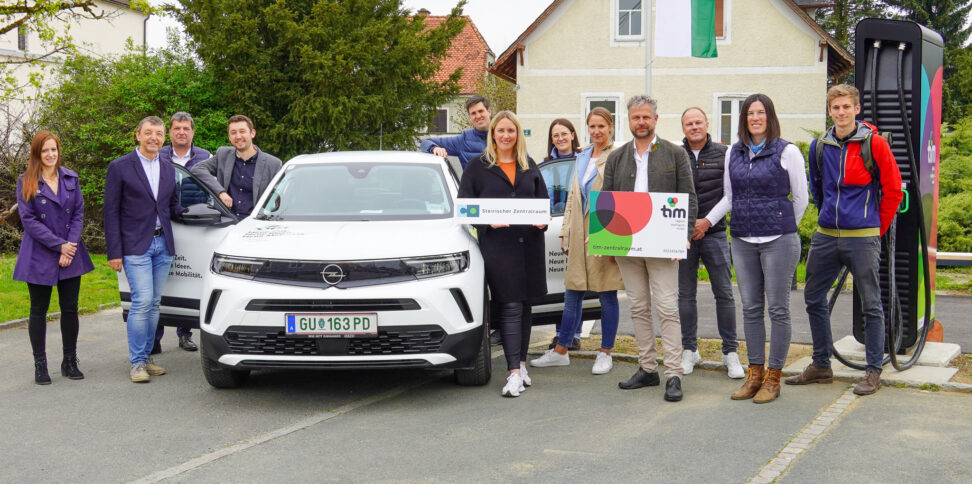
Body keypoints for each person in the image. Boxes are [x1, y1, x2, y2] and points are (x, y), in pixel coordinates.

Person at [786, 84, 903, 396]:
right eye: (835, 108)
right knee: (813, 298)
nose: (841, 112)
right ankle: (821, 364)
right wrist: (826, 214)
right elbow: (818, 186)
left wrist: (875, 228)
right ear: (829, 111)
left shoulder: (874, 144)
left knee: (871, 304)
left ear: (856, 109)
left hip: (863, 237)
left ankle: (873, 371)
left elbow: (893, 190)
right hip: (826, 235)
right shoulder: (819, 146)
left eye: (846, 107)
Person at [704, 94, 808, 403]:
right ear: (744, 119)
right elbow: (729, 196)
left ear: (770, 116)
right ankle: (755, 374)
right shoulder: (733, 152)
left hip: (779, 239)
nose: (756, 118)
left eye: (761, 112)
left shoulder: (787, 151)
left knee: (777, 309)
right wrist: (707, 221)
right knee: (750, 308)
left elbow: (800, 198)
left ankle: (774, 378)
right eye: (750, 113)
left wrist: (782, 224)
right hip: (742, 239)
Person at [601, 95, 697, 402]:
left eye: (646, 117)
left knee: (667, 308)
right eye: (635, 118)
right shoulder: (617, 157)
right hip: (628, 245)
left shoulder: (675, 153)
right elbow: (607, 201)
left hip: (664, 244)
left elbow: (689, 197)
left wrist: (683, 234)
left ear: (656, 119)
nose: (640, 122)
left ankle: (673, 373)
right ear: (628, 121)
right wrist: (606, 240)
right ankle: (647, 368)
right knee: (639, 307)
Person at [458, 111, 548, 397]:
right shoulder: (477, 166)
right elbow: (464, 207)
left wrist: (542, 220)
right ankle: (512, 373)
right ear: (493, 134)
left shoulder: (528, 165)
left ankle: (521, 366)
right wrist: (485, 221)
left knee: (524, 306)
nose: (506, 135)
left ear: (517, 134)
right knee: (509, 305)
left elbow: (543, 201)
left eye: (511, 131)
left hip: (529, 244)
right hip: (499, 245)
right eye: (501, 131)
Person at [531, 107, 623, 374]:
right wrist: (566, 232)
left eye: (601, 127)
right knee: (573, 293)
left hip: (603, 230)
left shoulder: (616, 156)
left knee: (606, 293)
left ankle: (605, 352)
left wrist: (607, 234)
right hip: (579, 232)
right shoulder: (582, 156)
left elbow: (621, 197)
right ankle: (561, 349)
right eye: (592, 127)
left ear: (610, 128)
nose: (596, 132)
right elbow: (572, 197)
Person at [104, 116, 187, 383]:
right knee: (141, 303)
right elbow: (111, 212)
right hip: (135, 245)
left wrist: (196, 213)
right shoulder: (120, 167)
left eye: (159, 133)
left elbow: (170, 205)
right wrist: (114, 252)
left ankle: (147, 358)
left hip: (162, 244)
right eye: (148, 132)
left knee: (154, 304)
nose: (154, 137)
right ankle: (137, 363)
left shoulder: (167, 166)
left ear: (164, 138)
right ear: (138, 135)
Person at [14, 131, 95, 385]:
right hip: (40, 253)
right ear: (37, 154)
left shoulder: (70, 177)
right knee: (38, 310)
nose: (50, 155)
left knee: (70, 309)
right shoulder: (26, 181)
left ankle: (70, 360)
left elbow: (79, 212)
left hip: (70, 252)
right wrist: (59, 246)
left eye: (54, 150)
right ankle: (40, 364)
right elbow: (29, 221)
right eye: (45, 151)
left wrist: (69, 246)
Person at [677, 107, 743, 379]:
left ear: (707, 124)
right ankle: (689, 350)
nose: (694, 127)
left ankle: (730, 352)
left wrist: (705, 222)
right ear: (683, 128)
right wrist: (687, 225)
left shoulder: (725, 153)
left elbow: (731, 194)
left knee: (724, 294)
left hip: (714, 232)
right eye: (688, 123)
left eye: (698, 122)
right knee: (685, 295)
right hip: (682, 236)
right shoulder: (675, 155)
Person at [153, 111, 212, 353]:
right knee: (160, 283)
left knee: (186, 278)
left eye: (186, 128)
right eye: (177, 128)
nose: (181, 132)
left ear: (192, 132)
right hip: (161, 223)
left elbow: (211, 190)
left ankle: (184, 334)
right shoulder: (157, 155)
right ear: (170, 131)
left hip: (191, 224)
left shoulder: (206, 157)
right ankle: (154, 338)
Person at [190, 115, 282, 220]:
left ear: (252, 133)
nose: (238, 136)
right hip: (226, 223)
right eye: (233, 133)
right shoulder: (223, 155)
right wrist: (221, 192)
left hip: (255, 225)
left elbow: (280, 200)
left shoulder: (273, 164)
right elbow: (197, 169)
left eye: (242, 131)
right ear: (229, 137)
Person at [542, 118, 583, 349]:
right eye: (555, 135)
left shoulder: (583, 160)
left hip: (579, 227)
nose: (560, 139)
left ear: (572, 134)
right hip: (555, 227)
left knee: (577, 284)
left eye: (564, 134)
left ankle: (575, 335)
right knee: (561, 285)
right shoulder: (545, 164)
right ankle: (561, 334)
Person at [420, 95, 491, 168]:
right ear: (469, 117)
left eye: (481, 111)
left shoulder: (501, 136)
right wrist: (435, 148)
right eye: (473, 113)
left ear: (489, 111)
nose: (478, 116)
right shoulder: (463, 140)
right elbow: (425, 142)